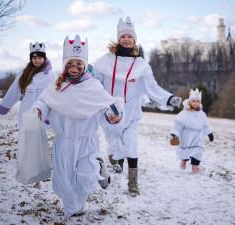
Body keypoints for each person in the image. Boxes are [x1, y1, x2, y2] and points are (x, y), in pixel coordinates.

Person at [33, 35, 124, 218]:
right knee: (63, 179)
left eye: (78, 63)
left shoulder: (93, 86)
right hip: (63, 141)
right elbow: (44, 101)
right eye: (70, 63)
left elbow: (107, 107)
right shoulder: (57, 86)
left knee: (85, 176)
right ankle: (74, 207)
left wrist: (113, 116)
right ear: (65, 64)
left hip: (86, 141)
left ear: (84, 64)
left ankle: (96, 171)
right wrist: (38, 110)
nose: (74, 67)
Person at [94, 16, 182, 196]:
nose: (126, 39)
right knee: (113, 142)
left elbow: (152, 87)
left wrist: (169, 98)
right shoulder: (105, 61)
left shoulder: (141, 65)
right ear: (118, 39)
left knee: (131, 144)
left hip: (131, 113)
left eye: (130, 36)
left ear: (134, 40)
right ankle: (115, 159)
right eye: (123, 36)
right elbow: (95, 83)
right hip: (109, 113)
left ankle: (133, 182)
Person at [0, 42, 56, 129]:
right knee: (25, 137)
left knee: (39, 138)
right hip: (26, 111)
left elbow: (55, 96)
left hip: (42, 113)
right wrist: (5, 105)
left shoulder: (51, 75)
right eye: (34, 58)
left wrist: (50, 114)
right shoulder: (24, 74)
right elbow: (14, 91)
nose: (37, 60)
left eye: (40, 58)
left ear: (44, 58)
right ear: (31, 59)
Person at [169, 88, 214, 174]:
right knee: (186, 152)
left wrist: (209, 133)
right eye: (193, 101)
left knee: (198, 151)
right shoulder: (184, 114)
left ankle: (195, 166)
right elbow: (177, 126)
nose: (196, 103)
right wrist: (174, 134)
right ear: (189, 102)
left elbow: (205, 125)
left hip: (198, 138)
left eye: (198, 101)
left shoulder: (202, 114)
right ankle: (184, 160)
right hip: (187, 137)